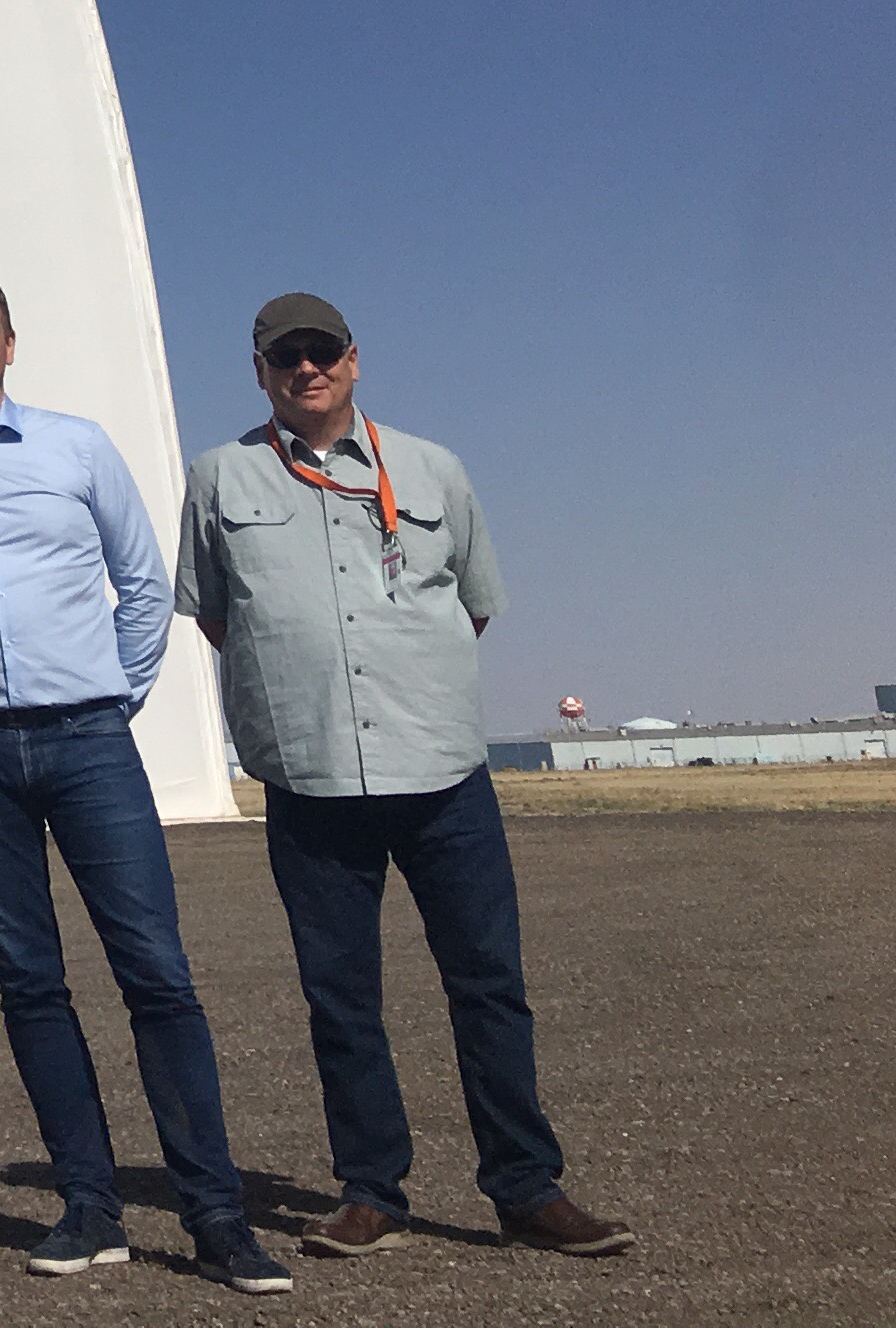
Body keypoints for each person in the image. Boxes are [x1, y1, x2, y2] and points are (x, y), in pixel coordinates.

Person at [176, 293, 634, 1262]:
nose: (307, 368)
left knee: (489, 985)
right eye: (285, 355)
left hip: (440, 772)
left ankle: (525, 1186)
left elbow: (472, 604)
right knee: (341, 997)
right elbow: (218, 616)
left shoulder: (433, 471)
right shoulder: (220, 478)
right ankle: (370, 1189)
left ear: (353, 360)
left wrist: (403, 684)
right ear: (259, 371)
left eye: (323, 351)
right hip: (311, 778)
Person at [0, 270, 291, 1297]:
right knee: (30, 981)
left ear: (10, 343)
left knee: (155, 972)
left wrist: (111, 694)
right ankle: (89, 1205)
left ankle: (215, 1215)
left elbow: (144, 585)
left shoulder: (77, 448)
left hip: (88, 740)